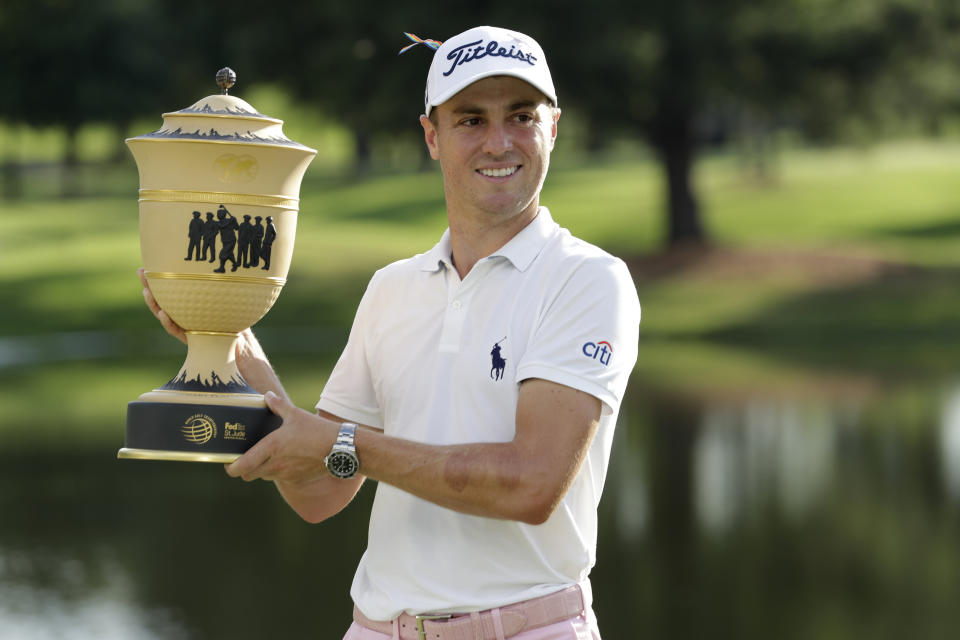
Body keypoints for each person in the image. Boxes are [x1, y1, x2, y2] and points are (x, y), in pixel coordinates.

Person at [141, 25, 640, 640]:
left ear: (553, 128)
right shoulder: (392, 289)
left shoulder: (588, 280)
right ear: (432, 136)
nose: (499, 141)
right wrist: (236, 348)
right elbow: (321, 492)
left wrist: (337, 443)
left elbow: (531, 484)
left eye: (520, 116)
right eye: (470, 120)